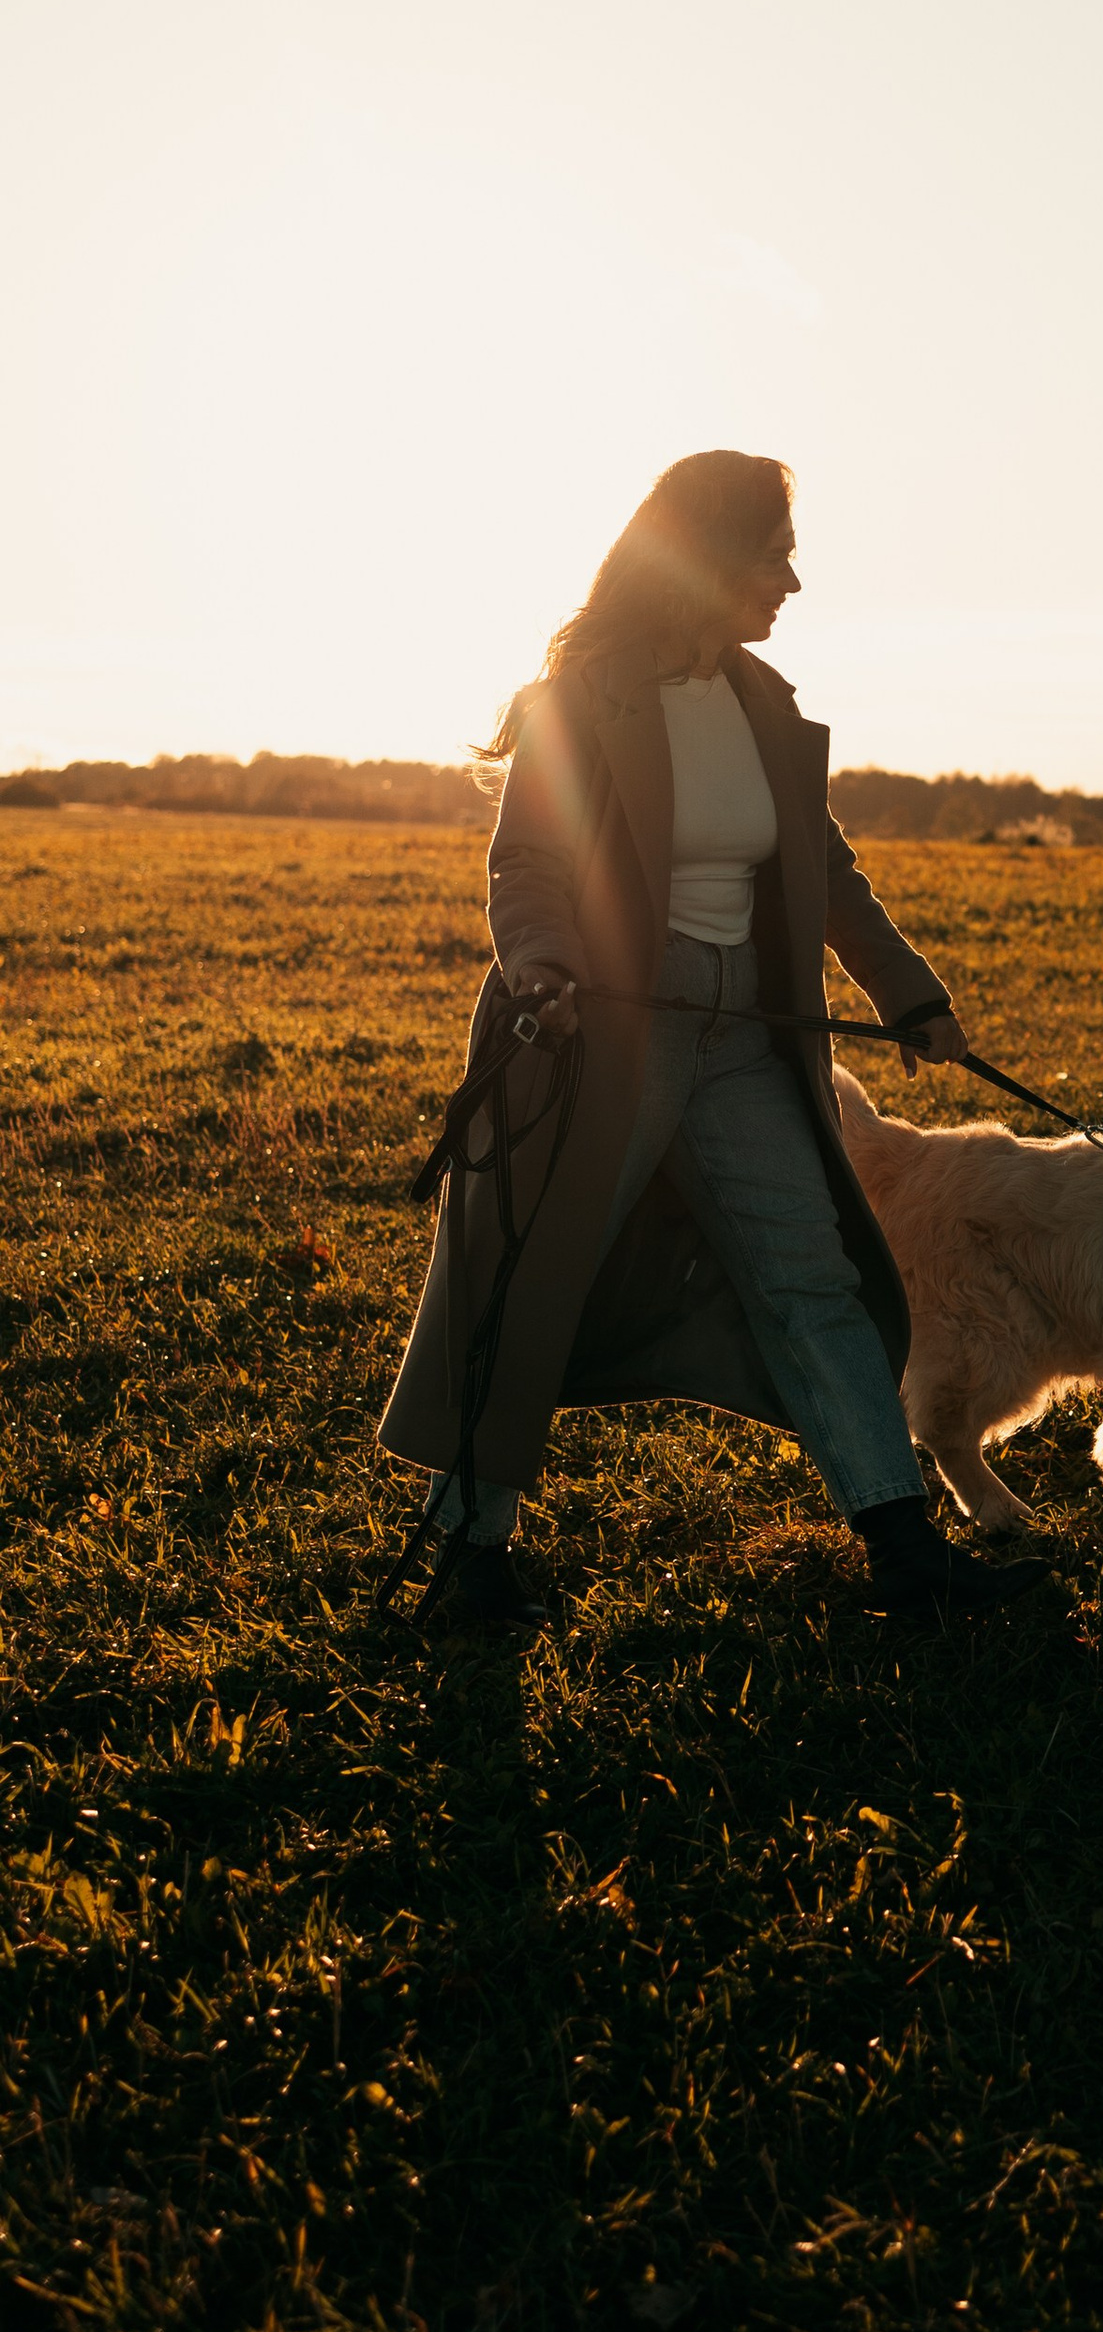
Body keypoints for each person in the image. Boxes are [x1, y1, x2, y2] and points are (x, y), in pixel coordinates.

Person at [376, 449, 1042, 1631]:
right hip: (602, 1027)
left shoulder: (759, 702)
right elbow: (528, 859)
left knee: (812, 1275)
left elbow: (824, 869)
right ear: (708, 562)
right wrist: (542, 966)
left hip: (749, 1033)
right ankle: (467, 1562)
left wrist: (909, 997)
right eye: (775, 556)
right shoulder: (587, 699)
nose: (791, 583)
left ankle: (901, 1547)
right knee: (534, 1278)